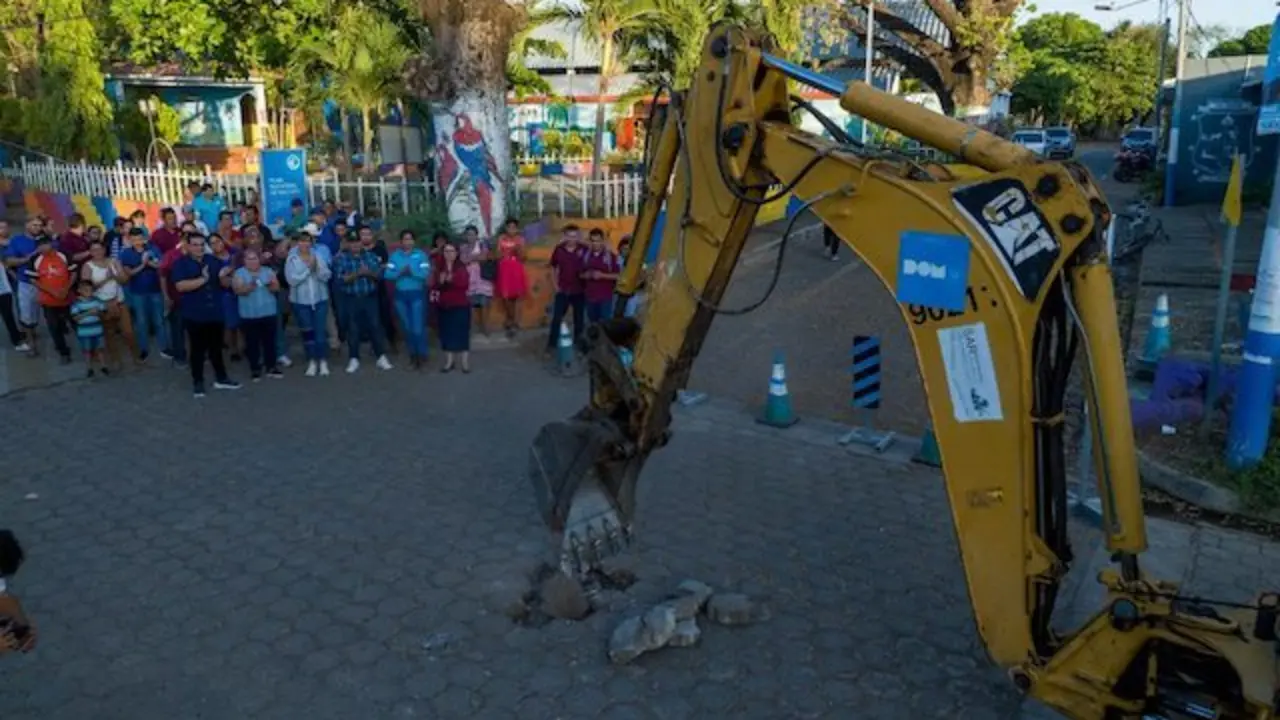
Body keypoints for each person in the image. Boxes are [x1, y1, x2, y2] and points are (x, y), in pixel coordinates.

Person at [169, 233, 241, 397]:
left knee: (216, 347)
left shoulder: (212, 260)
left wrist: (227, 276)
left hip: (214, 311)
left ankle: (221, 378)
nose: (199, 248)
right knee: (197, 349)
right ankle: (198, 381)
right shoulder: (181, 264)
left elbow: (222, 282)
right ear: (187, 246)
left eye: (202, 244)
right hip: (194, 313)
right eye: (195, 244)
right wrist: (203, 279)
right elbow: (180, 286)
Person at [334, 235, 392, 373]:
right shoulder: (341, 258)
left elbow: (378, 276)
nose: (355, 245)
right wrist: (358, 274)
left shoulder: (370, 256)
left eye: (357, 242)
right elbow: (341, 280)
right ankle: (354, 358)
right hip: (352, 298)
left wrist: (368, 273)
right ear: (348, 244)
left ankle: (381, 356)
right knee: (353, 328)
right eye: (352, 242)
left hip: (369, 297)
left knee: (375, 326)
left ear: (361, 243)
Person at [81, 240, 135, 370]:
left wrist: (116, 276)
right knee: (109, 335)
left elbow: (125, 280)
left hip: (119, 301)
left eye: (99, 249)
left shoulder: (114, 261)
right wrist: (106, 278)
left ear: (104, 249)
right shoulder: (87, 266)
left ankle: (136, 357)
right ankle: (116, 360)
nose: (97, 252)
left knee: (128, 332)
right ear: (90, 252)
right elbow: (87, 289)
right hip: (103, 305)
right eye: (94, 250)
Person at [286, 232, 333, 377]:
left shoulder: (318, 256)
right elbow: (292, 280)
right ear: (297, 243)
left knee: (320, 332)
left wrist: (317, 269)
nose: (305, 244)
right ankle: (312, 361)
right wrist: (308, 270)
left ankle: (323, 361)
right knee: (308, 333)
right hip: (301, 301)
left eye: (308, 241)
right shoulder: (292, 259)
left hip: (320, 299)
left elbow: (326, 276)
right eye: (302, 241)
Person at [232, 248, 283, 381]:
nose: (252, 262)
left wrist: (270, 285)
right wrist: (250, 286)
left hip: (268, 312)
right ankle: (255, 369)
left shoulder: (268, 271)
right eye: (249, 259)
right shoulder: (239, 273)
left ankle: (271, 366)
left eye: (255, 258)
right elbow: (238, 290)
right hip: (249, 314)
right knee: (252, 343)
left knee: (270, 342)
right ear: (244, 261)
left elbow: (276, 288)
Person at [118, 227, 166, 362]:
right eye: (134, 240)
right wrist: (144, 264)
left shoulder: (153, 249)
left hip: (155, 290)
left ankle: (164, 347)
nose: (137, 242)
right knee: (141, 322)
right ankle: (144, 349)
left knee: (159, 320)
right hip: (138, 292)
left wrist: (149, 262)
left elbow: (161, 265)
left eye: (139, 239)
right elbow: (129, 273)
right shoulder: (126, 253)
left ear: (144, 238)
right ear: (130, 240)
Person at [384, 230, 430, 369]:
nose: (408, 242)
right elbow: (388, 274)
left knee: (417, 327)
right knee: (407, 327)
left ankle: (421, 354)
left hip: (416, 294)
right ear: (401, 241)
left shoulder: (421, 255)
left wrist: (412, 272)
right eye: (405, 239)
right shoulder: (395, 256)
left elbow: (425, 273)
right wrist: (400, 273)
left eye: (410, 239)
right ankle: (412, 355)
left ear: (414, 241)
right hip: (401, 295)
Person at [29, 234, 74, 364]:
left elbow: (73, 273)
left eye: (44, 244)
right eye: (39, 245)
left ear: (51, 243)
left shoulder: (64, 255)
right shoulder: (34, 259)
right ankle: (63, 352)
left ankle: (89, 349)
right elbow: (33, 280)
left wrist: (66, 289)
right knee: (54, 327)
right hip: (48, 301)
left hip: (67, 298)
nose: (42, 247)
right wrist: (51, 291)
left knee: (75, 323)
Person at [546, 224, 587, 354]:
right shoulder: (559, 250)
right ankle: (551, 346)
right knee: (557, 318)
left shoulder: (584, 249)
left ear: (578, 237)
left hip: (580, 290)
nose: (572, 239)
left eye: (575, 236)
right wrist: (555, 286)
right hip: (563, 290)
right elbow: (553, 268)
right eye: (569, 236)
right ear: (564, 236)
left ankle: (579, 345)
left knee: (579, 320)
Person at [432, 242, 472, 373]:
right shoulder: (439, 268)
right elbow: (436, 285)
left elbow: (464, 284)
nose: (449, 254)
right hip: (444, 306)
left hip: (460, 305)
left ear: (457, 253)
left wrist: (450, 280)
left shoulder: (461, 267)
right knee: (447, 334)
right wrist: (442, 281)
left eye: (452, 251)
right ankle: (449, 361)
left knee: (462, 333)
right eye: (446, 251)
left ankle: (465, 362)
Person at [4, 217, 41, 354]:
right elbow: (10, 261)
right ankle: (31, 344)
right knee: (26, 314)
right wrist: (28, 258)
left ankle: (34, 332)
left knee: (36, 315)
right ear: (26, 225)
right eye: (34, 225)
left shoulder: (44, 240)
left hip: (45, 282)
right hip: (25, 282)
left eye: (39, 225)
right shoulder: (17, 241)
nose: (37, 227)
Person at [158, 232, 189, 366]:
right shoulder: (170, 255)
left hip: (194, 299)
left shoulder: (199, 256)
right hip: (175, 298)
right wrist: (165, 296)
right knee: (177, 328)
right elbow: (163, 276)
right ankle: (179, 356)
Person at [209, 234, 241, 361]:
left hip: (240, 291)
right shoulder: (211, 260)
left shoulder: (235, 255)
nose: (217, 244)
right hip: (224, 294)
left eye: (218, 241)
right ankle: (233, 349)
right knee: (230, 323)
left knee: (242, 322)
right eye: (212, 243)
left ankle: (242, 348)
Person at [494, 217, 528, 338]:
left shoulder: (520, 239)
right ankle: (510, 319)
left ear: (517, 228)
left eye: (514, 227)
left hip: (516, 269)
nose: (511, 229)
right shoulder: (501, 238)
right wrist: (503, 253)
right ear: (506, 228)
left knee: (517, 296)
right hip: (504, 269)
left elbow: (524, 257)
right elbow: (497, 255)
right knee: (505, 296)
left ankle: (514, 322)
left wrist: (517, 249)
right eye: (509, 227)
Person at [461, 224, 494, 336]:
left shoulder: (481, 245)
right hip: (469, 278)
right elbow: (463, 260)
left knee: (484, 303)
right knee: (470, 303)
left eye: (473, 234)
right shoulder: (463, 247)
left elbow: (484, 257)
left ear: (476, 235)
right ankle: (472, 327)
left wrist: (471, 258)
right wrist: (476, 257)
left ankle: (486, 326)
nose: (470, 237)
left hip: (483, 277)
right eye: (468, 234)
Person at [70, 280, 107, 377]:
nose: (89, 292)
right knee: (87, 351)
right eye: (86, 290)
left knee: (100, 349)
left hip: (98, 330)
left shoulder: (97, 300)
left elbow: (103, 313)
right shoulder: (76, 304)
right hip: (84, 332)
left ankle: (103, 366)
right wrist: (89, 313)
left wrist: (99, 313)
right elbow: (75, 318)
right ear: (79, 291)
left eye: (90, 290)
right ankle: (89, 368)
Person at [0, 221, 28, 352]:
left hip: (3, 287)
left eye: (5, 226)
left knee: (8, 314)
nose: (3, 229)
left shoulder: (12, 242)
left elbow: (6, 263)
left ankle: (17, 339)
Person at [582, 228, 620, 323]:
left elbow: (619, 276)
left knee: (605, 324)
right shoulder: (585, 256)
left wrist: (602, 275)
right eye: (593, 241)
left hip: (606, 298)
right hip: (590, 297)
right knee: (592, 325)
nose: (595, 244)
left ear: (602, 241)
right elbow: (579, 274)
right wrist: (588, 275)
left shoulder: (611, 257)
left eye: (598, 241)